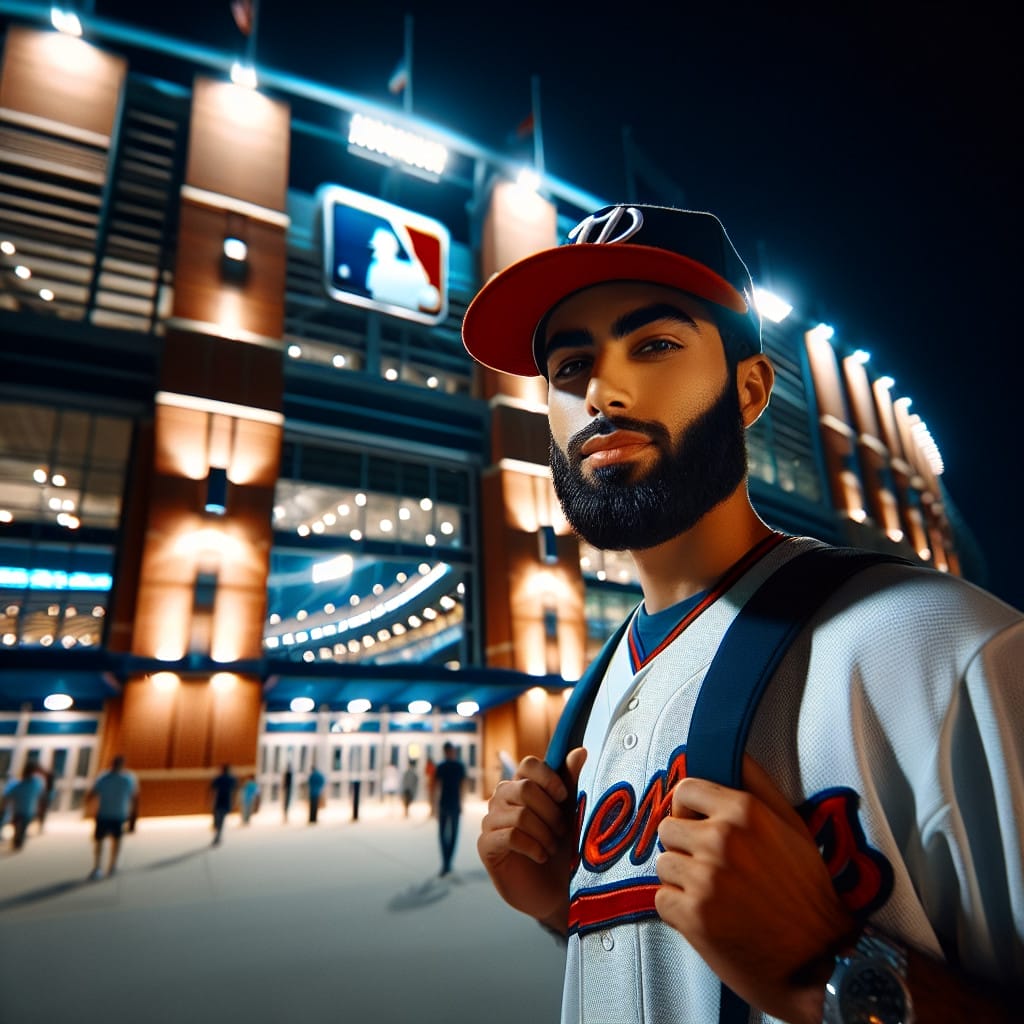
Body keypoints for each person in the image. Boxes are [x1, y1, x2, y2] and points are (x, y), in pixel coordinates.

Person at [465, 204, 1023, 1023]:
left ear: (751, 388)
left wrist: (825, 967)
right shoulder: (595, 695)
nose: (602, 391)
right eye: (569, 366)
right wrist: (561, 903)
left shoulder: (943, 645)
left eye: (653, 344)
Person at [86, 754, 138, 879]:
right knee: (100, 841)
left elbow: (134, 797)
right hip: (104, 814)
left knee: (117, 840)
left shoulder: (128, 779)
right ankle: (98, 866)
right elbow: (93, 793)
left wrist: (133, 817)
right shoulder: (103, 778)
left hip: (118, 814)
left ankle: (113, 865)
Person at [430, 741, 466, 877]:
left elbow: (463, 785)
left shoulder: (459, 766)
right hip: (444, 804)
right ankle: (446, 862)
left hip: (454, 804)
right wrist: (433, 806)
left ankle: (448, 862)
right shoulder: (442, 767)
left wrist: (462, 802)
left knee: (453, 835)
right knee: (442, 835)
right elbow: (436, 786)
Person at [2, 761, 45, 851]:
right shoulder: (34, 783)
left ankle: (18, 841)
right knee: (19, 826)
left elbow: (7, 796)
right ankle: (18, 841)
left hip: (22, 810)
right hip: (24, 810)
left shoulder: (31, 783)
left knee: (20, 827)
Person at [210, 763, 237, 845]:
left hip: (218, 801)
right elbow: (234, 790)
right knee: (221, 820)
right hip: (226, 801)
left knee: (218, 819)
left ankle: (217, 835)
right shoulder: (231, 779)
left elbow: (212, 789)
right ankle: (218, 835)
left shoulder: (219, 778)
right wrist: (234, 802)